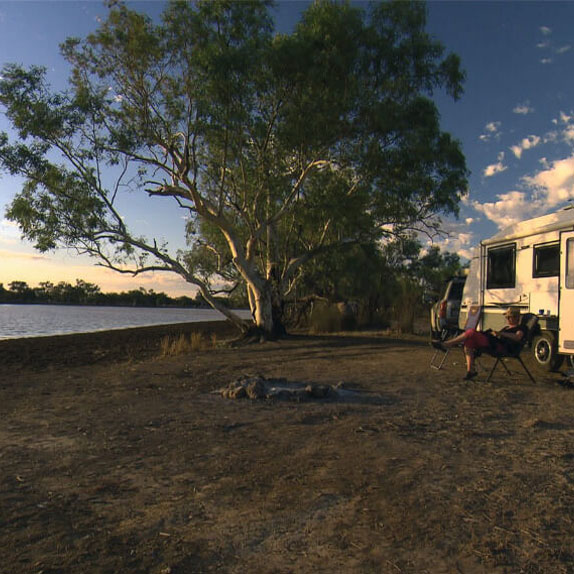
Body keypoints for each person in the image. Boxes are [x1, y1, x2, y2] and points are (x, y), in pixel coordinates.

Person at [433, 306, 526, 380]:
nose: (507, 319)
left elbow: (517, 337)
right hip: (493, 343)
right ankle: (471, 370)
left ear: (516, 318)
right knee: (468, 341)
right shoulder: (506, 328)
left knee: (471, 332)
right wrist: (495, 333)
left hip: (500, 347)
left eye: (509, 317)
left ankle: (446, 344)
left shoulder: (520, 328)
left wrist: (501, 333)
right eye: (507, 317)